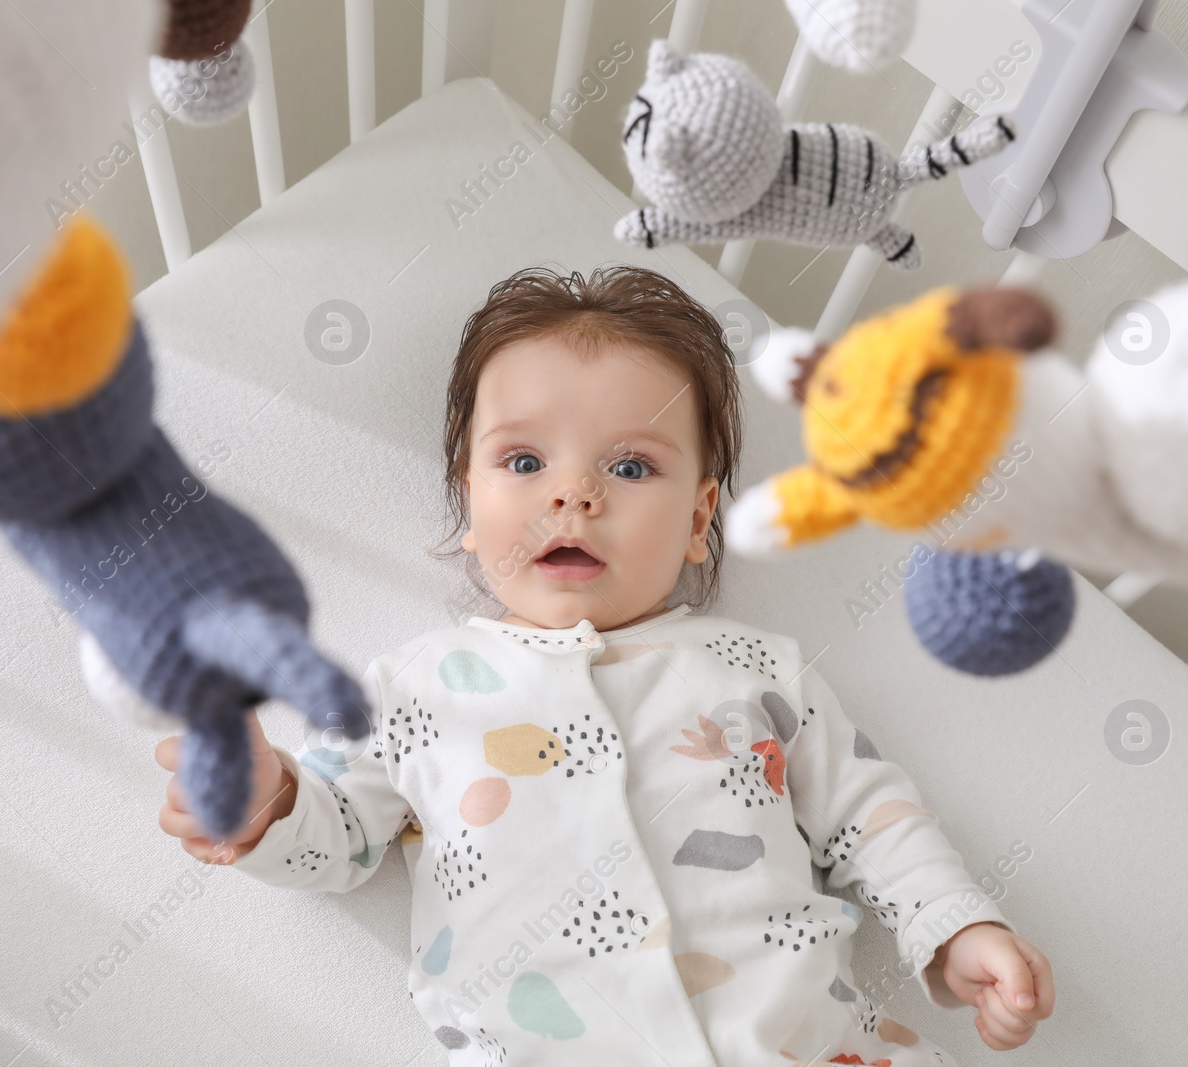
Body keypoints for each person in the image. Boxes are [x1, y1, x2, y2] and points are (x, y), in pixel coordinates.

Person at [155, 265, 1054, 1064]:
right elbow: (338, 834)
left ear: (701, 519)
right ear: (470, 502)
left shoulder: (758, 670)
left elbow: (872, 816)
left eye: (629, 465)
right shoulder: (415, 688)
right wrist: (267, 798)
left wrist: (957, 925)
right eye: (524, 459)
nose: (573, 492)